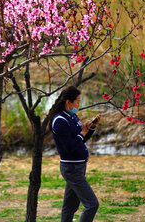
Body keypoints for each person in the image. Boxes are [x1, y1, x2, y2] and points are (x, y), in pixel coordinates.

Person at [48, 86, 101, 222]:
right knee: (92, 204)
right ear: (68, 102)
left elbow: (80, 141)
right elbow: (69, 147)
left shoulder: (71, 116)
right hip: (71, 169)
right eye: (77, 101)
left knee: (69, 207)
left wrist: (90, 129)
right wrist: (82, 133)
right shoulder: (60, 121)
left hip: (78, 167)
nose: (79, 104)